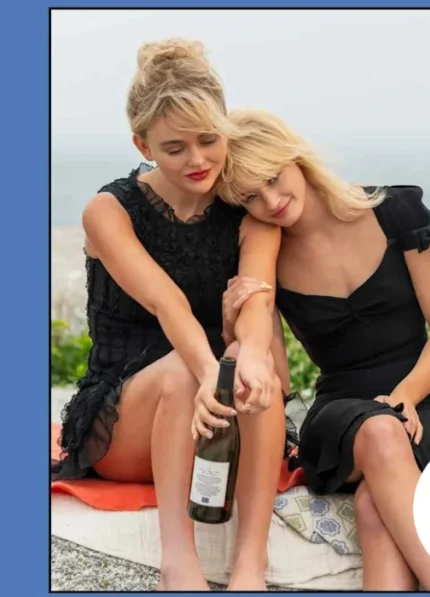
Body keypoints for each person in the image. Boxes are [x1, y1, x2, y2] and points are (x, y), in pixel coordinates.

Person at [51, 39, 287, 591]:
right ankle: (178, 563)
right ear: (143, 144)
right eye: (175, 147)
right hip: (126, 415)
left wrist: (247, 353)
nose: (198, 160)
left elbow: (257, 298)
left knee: (253, 365)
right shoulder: (108, 211)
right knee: (190, 369)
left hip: (218, 414)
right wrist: (208, 373)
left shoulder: (246, 210)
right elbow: (167, 303)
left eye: (210, 140)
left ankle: (250, 564)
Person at [216, 108, 430, 591]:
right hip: (341, 417)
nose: (270, 200)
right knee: (380, 434)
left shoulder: (397, 211)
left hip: (425, 401)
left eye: (273, 177)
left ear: (296, 158)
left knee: (376, 506)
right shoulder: (267, 252)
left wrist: (408, 396)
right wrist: (234, 324)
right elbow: (279, 380)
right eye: (250, 196)